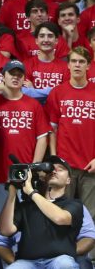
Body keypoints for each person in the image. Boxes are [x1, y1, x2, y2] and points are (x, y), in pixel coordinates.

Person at [0, 60, 50, 218]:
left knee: (25, 218)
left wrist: (33, 168)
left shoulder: (34, 105)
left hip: (24, 171)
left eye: (19, 75)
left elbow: (42, 138)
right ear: (3, 76)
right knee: (0, 218)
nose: (15, 77)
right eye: (12, 74)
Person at [0, 156, 85, 269]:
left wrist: (31, 192)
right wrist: (12, 194)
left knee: (65, 265)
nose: (54, 171)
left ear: (68, 180)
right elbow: (5, 230)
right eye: (51, 169)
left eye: (60, 169)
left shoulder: (74, 204)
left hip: (59, 260)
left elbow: (61, 218)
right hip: (27, 262)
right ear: (43, 178)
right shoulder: (27, 205)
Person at [45, 47, 95, 235]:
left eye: (82, 62)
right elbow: (53, 129)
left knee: (90, 215)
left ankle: (89, 260)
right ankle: (61, 254)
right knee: (60, 211)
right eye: (74, 61)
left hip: (91, 165)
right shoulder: (57, 93)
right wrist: (54, 157)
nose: (77, 65)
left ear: (88, 66)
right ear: (68, 65)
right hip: (64, 165)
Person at [0, 203, 95, 269]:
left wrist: (63, 251)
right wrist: (14, 261)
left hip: (65, 258)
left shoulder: (73, 205)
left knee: (72, 264)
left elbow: (89, 237)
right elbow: (0, 241)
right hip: (28, 260)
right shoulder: (22, 208)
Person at [22, 22, 70, 101]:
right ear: (36, 41)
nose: (46, 40)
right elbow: (25, 92)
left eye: (50, 36)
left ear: (56, 41)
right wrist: (54, 91)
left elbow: (64, 93)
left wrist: (33, 90)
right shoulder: (26, 64)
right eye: (42, 36)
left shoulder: (66, 67)